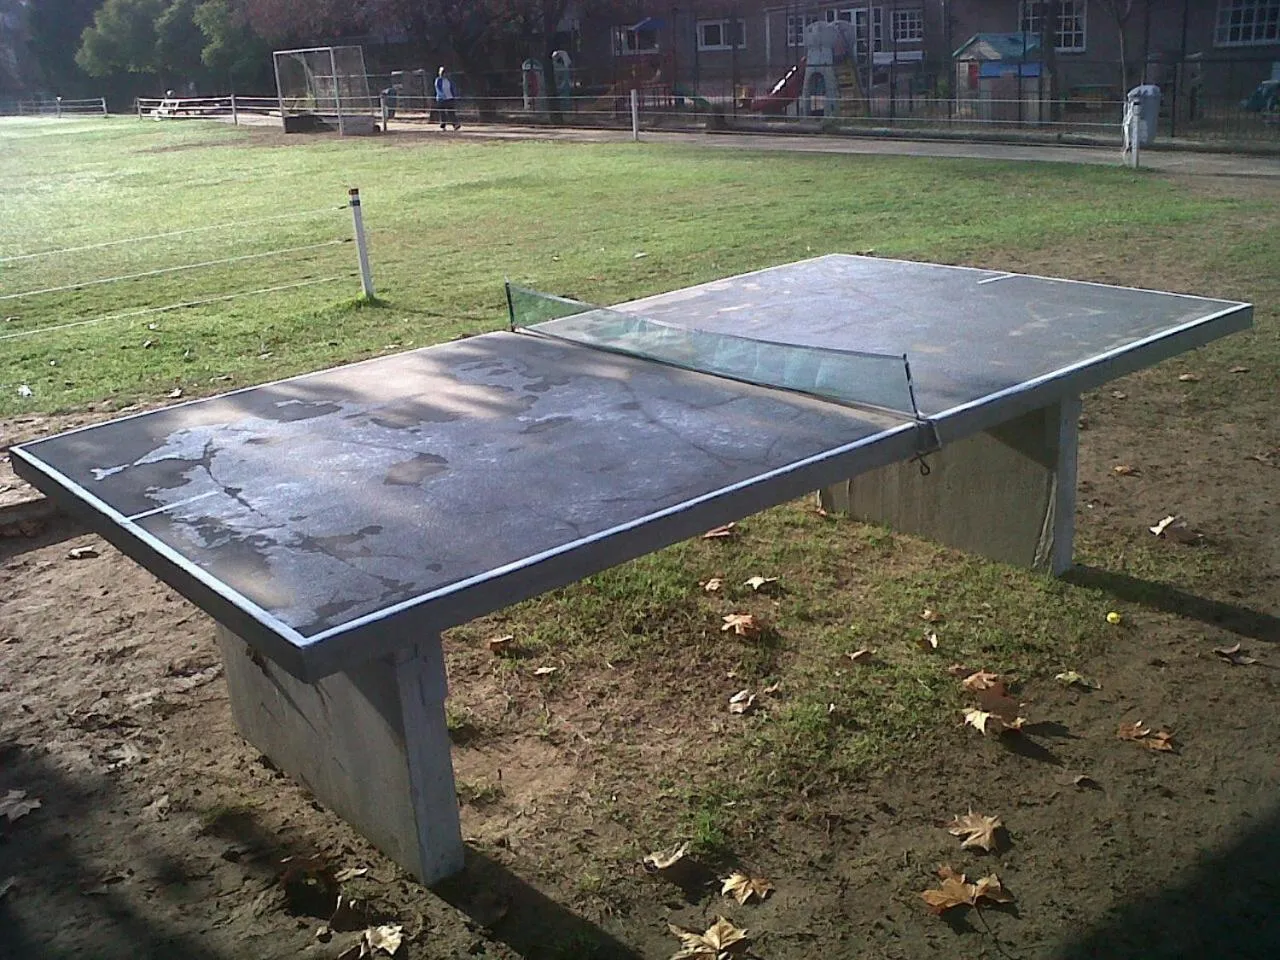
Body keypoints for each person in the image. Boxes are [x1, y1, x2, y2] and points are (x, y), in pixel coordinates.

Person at [435, 66, 460, 131]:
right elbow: (438, 89)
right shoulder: (438, 80)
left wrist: (454, 95)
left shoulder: (449, 80)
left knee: (451, 112)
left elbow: (452, 88)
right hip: (441, 99)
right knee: (442, 113)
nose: (445, 74)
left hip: (450, 98)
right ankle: (443, 125)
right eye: (443, 73)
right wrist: (442, 96)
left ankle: (455, 125)